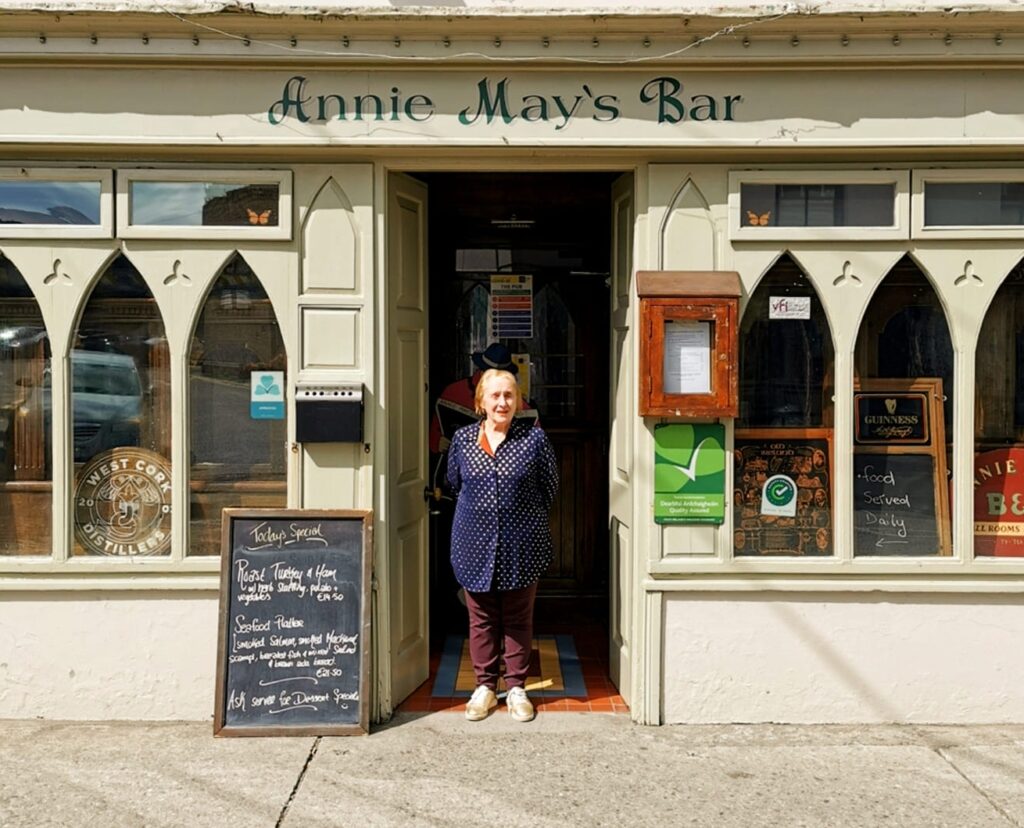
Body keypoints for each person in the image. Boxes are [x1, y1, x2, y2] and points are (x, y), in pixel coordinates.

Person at [446, 368, 558, 722]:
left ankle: (516, 688)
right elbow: (453, 483)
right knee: (480, 619)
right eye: (494, 396)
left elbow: (549, 486)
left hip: (522, 544)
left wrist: (519, 516)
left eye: (509, 395)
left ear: (519, 400)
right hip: (474, 543)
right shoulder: (463, 439)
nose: (502, 402)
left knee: (517, 618)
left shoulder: (534, 440)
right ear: (481, 401)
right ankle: (484, 687)